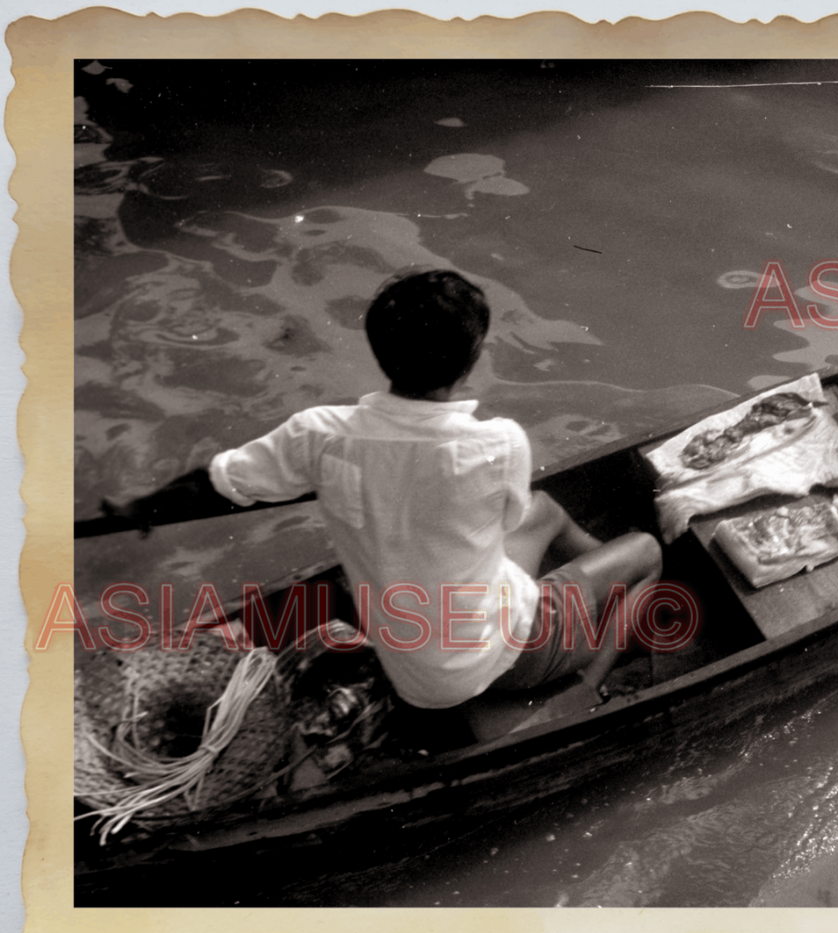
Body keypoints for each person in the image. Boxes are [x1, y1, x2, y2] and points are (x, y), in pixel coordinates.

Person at [106, 269, 662, 735]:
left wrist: (142, 509)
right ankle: (587, 680)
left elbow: (215, 482)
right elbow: (500, 520)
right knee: (645, 550)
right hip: (499, 657)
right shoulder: (498, 444)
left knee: (543, 510)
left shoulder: (318, 435)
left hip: (409, 662)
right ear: (470, 360)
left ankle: (588, 601)